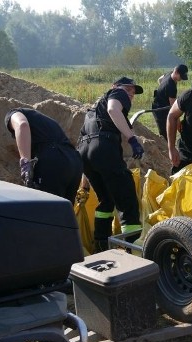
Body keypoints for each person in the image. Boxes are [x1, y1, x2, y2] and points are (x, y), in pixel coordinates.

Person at [78, 76, 145, 252]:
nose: (130, 94)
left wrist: (84, 182)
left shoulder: (92, 111)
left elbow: (85, 144)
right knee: (127, 199)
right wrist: (132, 138)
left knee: (106, 201)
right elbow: (113, 109)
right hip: (104, 149)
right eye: (128, 89)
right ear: (114, 86)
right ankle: (134, 249)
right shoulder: (117, 93)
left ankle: (101, 246)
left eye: (132, 92)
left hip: (85, 154)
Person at [4, 108, 83, 204]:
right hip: (74, 162)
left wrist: (26, 164)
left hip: (54, 159)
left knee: (44, 211)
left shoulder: (13, 113)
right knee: (63, 212)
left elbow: (22, 125)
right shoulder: (43, 122)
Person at [152, 64, 188, 140]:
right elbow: (174, 108)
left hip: (159, 103)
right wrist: (178, 124)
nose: (181, 79)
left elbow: (159, 79)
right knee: (165, 131)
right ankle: (165, 147)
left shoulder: (169, 73)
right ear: (176, 72)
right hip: (160, 109)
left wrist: (163, 90)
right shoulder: (171, 87)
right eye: (181, 77)